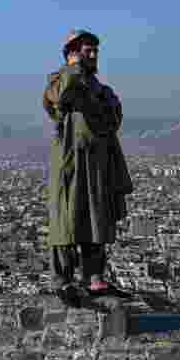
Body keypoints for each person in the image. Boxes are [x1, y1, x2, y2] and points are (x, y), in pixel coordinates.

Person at [43, 30, 134, 305]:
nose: (93, 56)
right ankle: (63, 279)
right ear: (72, 53)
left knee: (97, 219)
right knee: (66, 220)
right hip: (71, 160)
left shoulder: (99, 89)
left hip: (97, 163)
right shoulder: (61, 82)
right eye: (87, 51)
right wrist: (72, 69)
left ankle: (94, 278)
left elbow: (114, 117)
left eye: (95, 51)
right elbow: (55, 102)